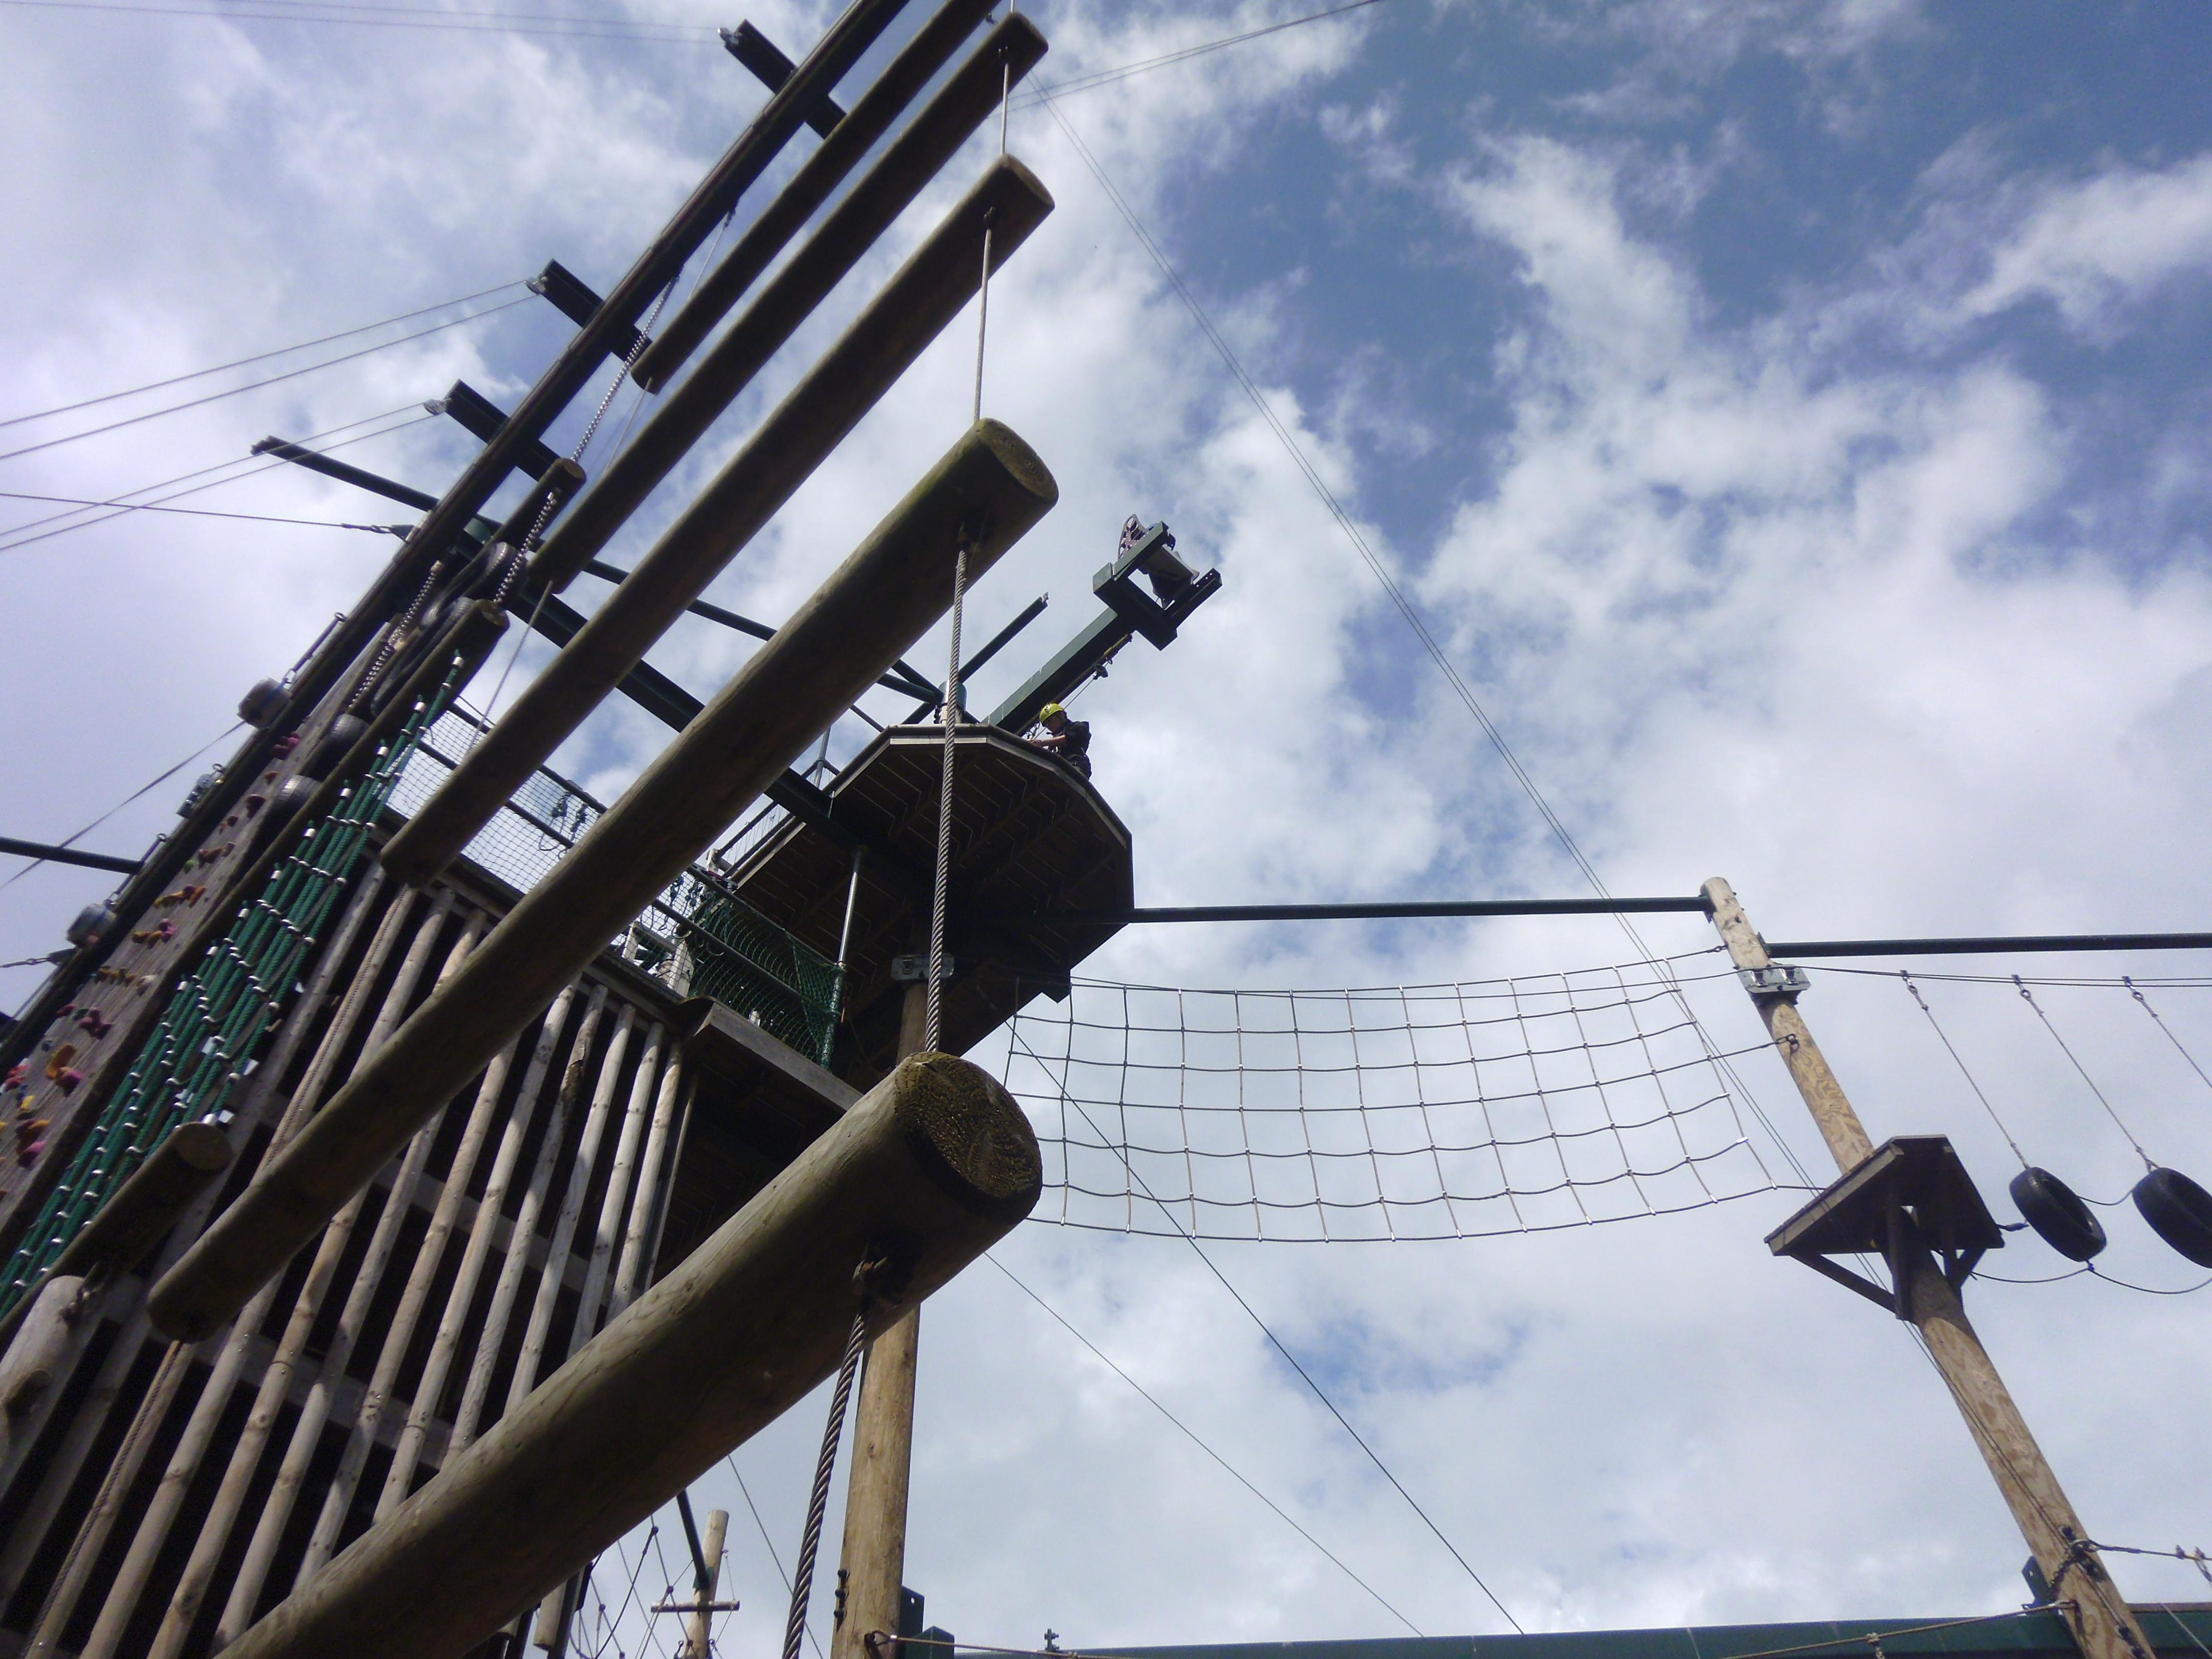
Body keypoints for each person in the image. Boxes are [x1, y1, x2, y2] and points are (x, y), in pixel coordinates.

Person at [1026, 701, 1091, 777]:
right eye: (1046, 724)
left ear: (1061, 715)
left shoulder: (1078, 727)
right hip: (1059, 770)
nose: (1048, 725)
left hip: (1075, 766)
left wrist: (1043, 743)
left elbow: (1072, 737)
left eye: (1050, 721)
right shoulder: (1053, 747)